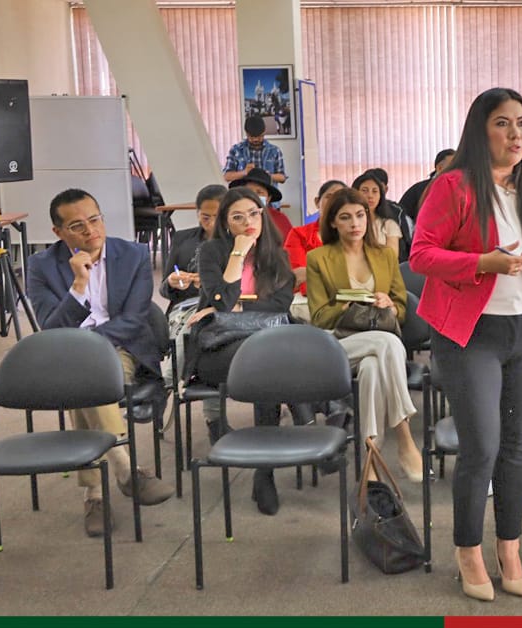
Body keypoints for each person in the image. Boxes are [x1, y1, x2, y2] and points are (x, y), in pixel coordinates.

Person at [410, 87, 522, 602]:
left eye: (521, 122)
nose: (515, 133)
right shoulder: (453, 186)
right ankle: (468, 550)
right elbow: (422, 256)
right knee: (482, 446)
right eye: (503, 123)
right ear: (481, 130)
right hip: (470, 332)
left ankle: (510, 546)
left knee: (518, 447)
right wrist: (484, 262)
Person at [27, 188, 174, 537]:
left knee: (86, 377)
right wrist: (79, 284)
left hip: (120, 346)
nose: (90, 230)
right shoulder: (42, 266)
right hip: (68, 353)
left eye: (95, 219)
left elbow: (136, 318)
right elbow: (51, 328)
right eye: (77, 226)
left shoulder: (134, 254)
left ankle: (94, 493)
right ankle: (125, 469)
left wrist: (90, 345)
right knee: (84, 375)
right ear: (58, 233)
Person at [189, 187, 296, 515]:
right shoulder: (211, 252)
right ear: (226, 222)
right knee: (268, 361)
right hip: (218, 349)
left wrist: (234, 310)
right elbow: (222, 299)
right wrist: (238, 252)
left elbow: (281, 304)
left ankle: (264, 474)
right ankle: (308, 412)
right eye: (238, 217)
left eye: (253, 213)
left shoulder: (276, 254)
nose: (248, 221)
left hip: (262, 349)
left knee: (267, 363)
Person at [305, 187, 423, 481]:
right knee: (388, 343)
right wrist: (345, 305)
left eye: (360, 216)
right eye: (345, 218)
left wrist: (389, 306)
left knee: (373, 369)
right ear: (333, 222)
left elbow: (401, 307)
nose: (355, 223)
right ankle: (404, 434)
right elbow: (319, 317)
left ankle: (371, 460)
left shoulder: (383, 255)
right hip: (338, 344)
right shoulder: (319, 258)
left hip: (375, 343)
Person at [162, 184, 224, 310]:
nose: (211, 223)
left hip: (221, 308)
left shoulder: (238, 242)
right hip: (185, 308)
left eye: (217, 217)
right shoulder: (182, 238)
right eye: (205, 217)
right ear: (198, 213)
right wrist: (171, 282)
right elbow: (164, 290)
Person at [284, 179, 346, 295]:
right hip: (306, 301)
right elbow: (299, 277)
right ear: (317, 202)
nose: (334, 202)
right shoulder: (298, 234)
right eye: (329, 196)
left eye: (339, 198)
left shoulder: (352, 235)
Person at [228, 167, 294, 241]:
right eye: (249, 191)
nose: (253, 196)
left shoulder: (280, 219)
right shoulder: (235, 218)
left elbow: (290, 246)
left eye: (259, 192)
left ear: (268, 198)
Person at [223, 115, 286, 184]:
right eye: (252, 137)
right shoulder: (236, 150)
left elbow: (282, 177)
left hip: (267, 192)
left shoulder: (274, 150)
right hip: (243, 192)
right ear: (246, 133)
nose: (255, 139)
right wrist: (245, 172)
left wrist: (266, 176)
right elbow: (227, 177)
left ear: (264, 132)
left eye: (259, 136)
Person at [352, 171, 404, 255]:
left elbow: (391, 258)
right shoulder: (349, 223)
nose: (370, 196)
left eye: (375, 191)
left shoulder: (389, 225)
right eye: (364, 191)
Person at [400, 149, 456, 222]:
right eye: (453, 166)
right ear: (439, 168)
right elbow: (401, 218)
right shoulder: (419, 190)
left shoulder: (462, 190)